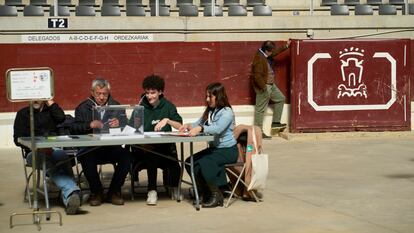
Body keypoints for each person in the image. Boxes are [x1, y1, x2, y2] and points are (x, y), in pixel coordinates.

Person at [13, 99, 81, 215]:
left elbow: (61, 118)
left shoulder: (51, 112)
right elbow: (17, 139)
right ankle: (72, 191)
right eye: (33, 97)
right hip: (32, 153)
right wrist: (36, 147)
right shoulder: (22, 114)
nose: (35, 100)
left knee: (62, 155)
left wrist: (50, 101)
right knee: (46, 161)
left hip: (53, 149)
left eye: (39, 97)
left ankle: (69, 197)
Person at [71, 78, 131, 206]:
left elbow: (127, 126)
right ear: (92, 92)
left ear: (109, 92)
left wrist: (120, 123)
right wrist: (89, 125)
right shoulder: (82, 108)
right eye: (99, 94)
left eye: (105, 94)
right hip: (91, 149)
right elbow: (74, 128)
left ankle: (114, 191)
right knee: (85, 156)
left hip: (111, 148)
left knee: (126, 156)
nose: (102, 97)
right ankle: (96, 191)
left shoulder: (116, 105)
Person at [180, 82, 238, 208]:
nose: (207, 99)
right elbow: (199, 123)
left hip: (228, 151)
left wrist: (200, 129)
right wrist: (189, 125)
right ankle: (205, 192)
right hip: (215, 149)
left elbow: (217, 128)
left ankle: (217, 195)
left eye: (210, 97)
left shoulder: (227, 112)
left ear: (219, 96)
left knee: (206, 162)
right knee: (190, 161)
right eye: (206, 96)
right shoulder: (211, 111)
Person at [131, 75, 182, 205]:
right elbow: (131, 131)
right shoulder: (140, 108)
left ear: (160, 92)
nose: (149, 96)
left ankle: (174, 186)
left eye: (153, 93)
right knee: (152, 157)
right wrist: (142, 144)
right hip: (144, 149)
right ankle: (152, 191)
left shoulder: (169, 106)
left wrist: (168, 120)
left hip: (165, 148)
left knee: (175, 163)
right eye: (147, 93)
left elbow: (181, 127)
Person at [251, 40, 291, 139]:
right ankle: (258, 133)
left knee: (280, 98)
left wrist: (286, 46)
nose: (273, 53)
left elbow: (275, 52)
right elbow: (256, 76)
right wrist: (264, 88)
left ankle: (275, 123)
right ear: (267, 51)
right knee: (260, 110)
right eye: (271, 51)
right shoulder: (259, 59)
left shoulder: (264, 53)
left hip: (270, 85)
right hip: (264, 86)